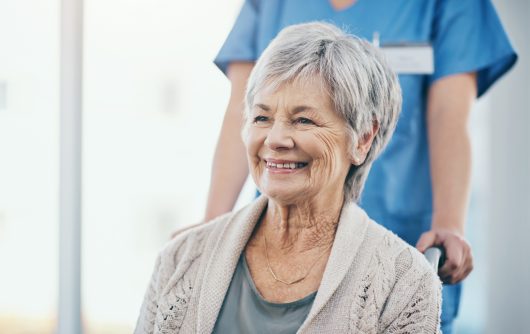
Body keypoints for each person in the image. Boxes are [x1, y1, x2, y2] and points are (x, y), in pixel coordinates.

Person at [206, 1, 517, 332]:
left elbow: (450, 118)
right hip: (284, 241)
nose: (279, 136)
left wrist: (449, 224)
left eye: (303, 120)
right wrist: (211, 232)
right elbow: (242, 112)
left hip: (405, 234)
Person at [135, 22, 442, 333]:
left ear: (362, 138)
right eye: (262, 118)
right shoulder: (179, 259)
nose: (275, 139)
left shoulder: (406, 283)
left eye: (303, 120)